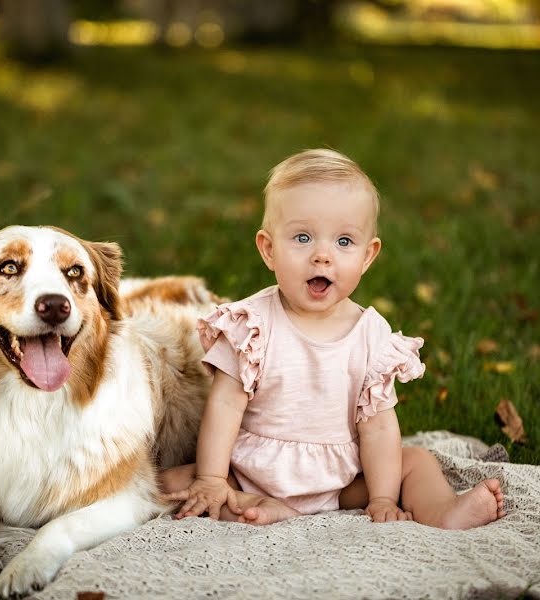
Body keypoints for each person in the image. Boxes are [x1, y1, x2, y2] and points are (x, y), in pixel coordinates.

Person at [162, 149, 506, 528]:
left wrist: (382, 498)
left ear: (367, 256)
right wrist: (212, 479)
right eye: (303, 237)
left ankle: (443, 512)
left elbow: (377, 427)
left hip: (340, 482)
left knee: (416, 462)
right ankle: (255, 502)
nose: (322, 256)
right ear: (269, 249)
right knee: (175, 482)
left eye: (344, 242)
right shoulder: (253, 325)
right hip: (252, 470)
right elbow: (225, 405)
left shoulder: (372, 336)